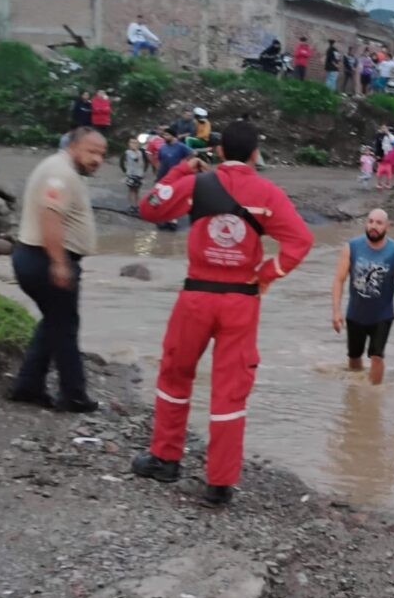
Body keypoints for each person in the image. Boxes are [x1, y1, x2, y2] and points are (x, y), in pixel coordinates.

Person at [130, 121, 314, 508]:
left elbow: (150, 208)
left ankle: (165, 458)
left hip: (196, 296)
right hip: (241, 301)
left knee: (175, 374)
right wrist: (267, 274)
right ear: (254, 153)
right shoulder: (267, 193)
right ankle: (220, 484)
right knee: (230, 390)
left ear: (217, 151)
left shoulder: (198, 185)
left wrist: (182, 170)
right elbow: (301, 240)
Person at [8, 127, 106, 413]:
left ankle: (27, 386)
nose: (97, 159)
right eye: (91, 151)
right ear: (74, 146)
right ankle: (74, 396)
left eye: (101, 154)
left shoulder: (60, 169)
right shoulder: (59, 174)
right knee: (65, 327)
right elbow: (50, 217)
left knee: (53, 322)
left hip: (36, 257)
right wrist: (59, 263)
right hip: (45, 259)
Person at [331, 209, 394, 386]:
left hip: (382, 315)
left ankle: (374, 397)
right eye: (370, 221)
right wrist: (336, 312)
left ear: (387, 227)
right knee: (354, 357)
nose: (373, 226)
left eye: (379, 223)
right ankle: (355, 391)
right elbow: (339, 280)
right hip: (356, 313)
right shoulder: (352, 247)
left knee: (376, 355)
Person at [121, 135, 147, 214]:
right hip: (131, 174)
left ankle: (137, 205)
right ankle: (131, 205)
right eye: (131, 143)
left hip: (138, 174)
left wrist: (143, 173)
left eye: (135, 143)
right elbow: (135, 159)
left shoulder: (140, 152)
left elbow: (142, 163)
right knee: (131, 190)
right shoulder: (128, 152)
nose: (133, 144)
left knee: (137, 190)